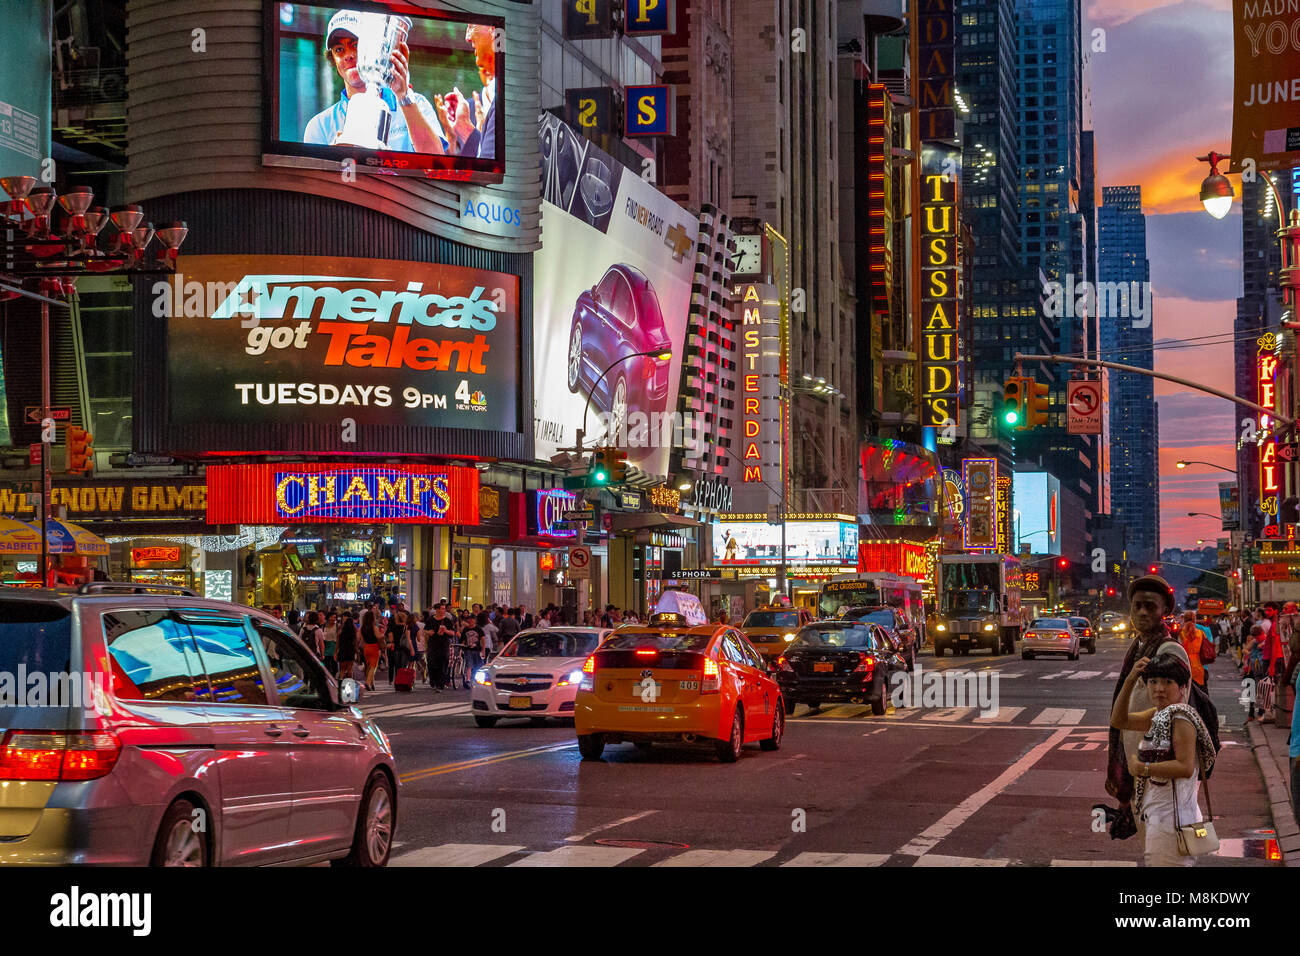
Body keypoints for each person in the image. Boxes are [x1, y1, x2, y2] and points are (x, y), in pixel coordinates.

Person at [1105, 575, 1220, 842]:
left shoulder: (1169, 649)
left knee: (1166, 845)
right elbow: (1120, 718)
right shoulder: (1139, 645)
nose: (1142, 612)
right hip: (1144, 765)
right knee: (1155, 846)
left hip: (1161, 774)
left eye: (1150, 606)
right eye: (1137, 606)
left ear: (1165, 611)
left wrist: (1143, 769)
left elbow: (1175, 713)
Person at [1110, 642, 1217, 866]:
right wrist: (1130, 680)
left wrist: (1143, 769)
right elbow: (1119, 720)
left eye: (1168, 682)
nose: (1159, 688)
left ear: (1182, 687)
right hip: (1162, 813)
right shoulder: (1160, 714)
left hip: (1172, 819)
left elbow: (1185, 767)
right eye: (1153, 682)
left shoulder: (1180, 719)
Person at [303, 9, 449, 154]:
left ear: (373, 48)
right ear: (333, 59)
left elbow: (436, 162)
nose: (348, 55)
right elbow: (313, 176)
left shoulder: (416, 104)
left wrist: (404, 98)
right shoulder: (319, 126)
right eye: (339, 49)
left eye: (355, 45)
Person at [427, 605, 455, 692]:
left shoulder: (447, 620)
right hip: (432, 645)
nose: (444, 610)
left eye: (444, 609)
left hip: (444, 645)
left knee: (442, 665)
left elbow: (453, 633)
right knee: (431, 664)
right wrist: (429, 632)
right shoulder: (430, 620)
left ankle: (440, 685)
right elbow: (425, 630)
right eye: (442, 609)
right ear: (437, 610)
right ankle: (433, 681)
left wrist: (446, 631)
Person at [1178, 610, 1207, 691]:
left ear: (1184, 619)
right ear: (1194, 620)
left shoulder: (1180, 633)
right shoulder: (1201, 633)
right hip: (1198, 667)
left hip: (1184, 665)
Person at [360, 608, 382, 692]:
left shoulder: (362, 628)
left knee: (369, 666)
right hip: (374, 647)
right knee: (374, 666)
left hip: (366, 647)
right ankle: (368, 682)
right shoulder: (374, 627)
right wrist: (382, 635)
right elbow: (379, 637)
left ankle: (373, 684)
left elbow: (360, 639)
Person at [336, 612, 359, 685]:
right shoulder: (353, 632)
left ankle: (340, 684)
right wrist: (357, 652)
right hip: (350, 650)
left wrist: (336, 651)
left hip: (342, 650)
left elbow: (337, 642)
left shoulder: (341, 631)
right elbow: (356, 643)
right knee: (350, 669)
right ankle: (349, 686)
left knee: (342, 670)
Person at [321, 610, 340, 676]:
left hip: (333, 647)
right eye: (331, 617)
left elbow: (338, 638)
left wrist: (337, 650)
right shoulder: (323, 626)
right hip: (325, 646)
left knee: (334, 665)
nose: (333, 619)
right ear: (328, 617)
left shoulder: (337, 626)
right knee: (326, 665)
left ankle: (333, 678)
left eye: (335, 617)